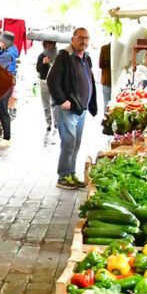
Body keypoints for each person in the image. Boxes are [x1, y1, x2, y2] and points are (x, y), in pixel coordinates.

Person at [47, 27, 98, 189]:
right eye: (80, 38)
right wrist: (62, 100)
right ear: (73, 39)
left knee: (76, 143)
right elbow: (52, 79)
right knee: (69, 142)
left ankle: (70, 173)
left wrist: (91, 103)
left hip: (81, 109)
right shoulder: (65, 56)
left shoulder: (86, 57)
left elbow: (89, 79)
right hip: (68, 109)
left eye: (86, 38)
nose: (84, 41)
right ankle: (63, 177)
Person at [0, 32, 19, 141]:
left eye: (0, 41)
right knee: (2, 109)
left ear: (6, 42)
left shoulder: (8, 55)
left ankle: (6, 137)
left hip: (5, 84)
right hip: (8, 83)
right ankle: (3, 134)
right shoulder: (11, 51)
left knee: (2, 110)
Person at [35, 41, 57, 140]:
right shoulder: (41, 56)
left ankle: (56, 122)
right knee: (46, 104)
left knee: (55, 103)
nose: (49, 46)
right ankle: (49, 123)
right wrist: (43, 63)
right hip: (44, 81)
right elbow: (38, 69)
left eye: (51, 44)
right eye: (47, 44)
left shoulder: (57, 56)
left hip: (55, 83)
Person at [98, 41, 114, 111]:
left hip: (107, 79)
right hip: (116, 80)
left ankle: (106, 119)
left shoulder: (104, 48)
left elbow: (100, 64)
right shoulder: (122, 47)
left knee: (107, 102)